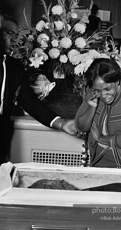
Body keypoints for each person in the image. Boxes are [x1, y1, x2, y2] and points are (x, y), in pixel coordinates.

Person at [0, 13, 77, 165]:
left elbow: (29, 101)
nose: (14, 40)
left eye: (15, 35)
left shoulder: (14, 67)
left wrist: (61, 123)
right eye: (9, 34)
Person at [75, 58, 121, 168]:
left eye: (107, 89)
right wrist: (91, 107)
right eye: (98, 91)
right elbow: (80, 127)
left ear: (118, 80)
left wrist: (100, 139)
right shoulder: (92, 91)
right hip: (97, 159)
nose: (103, 95)